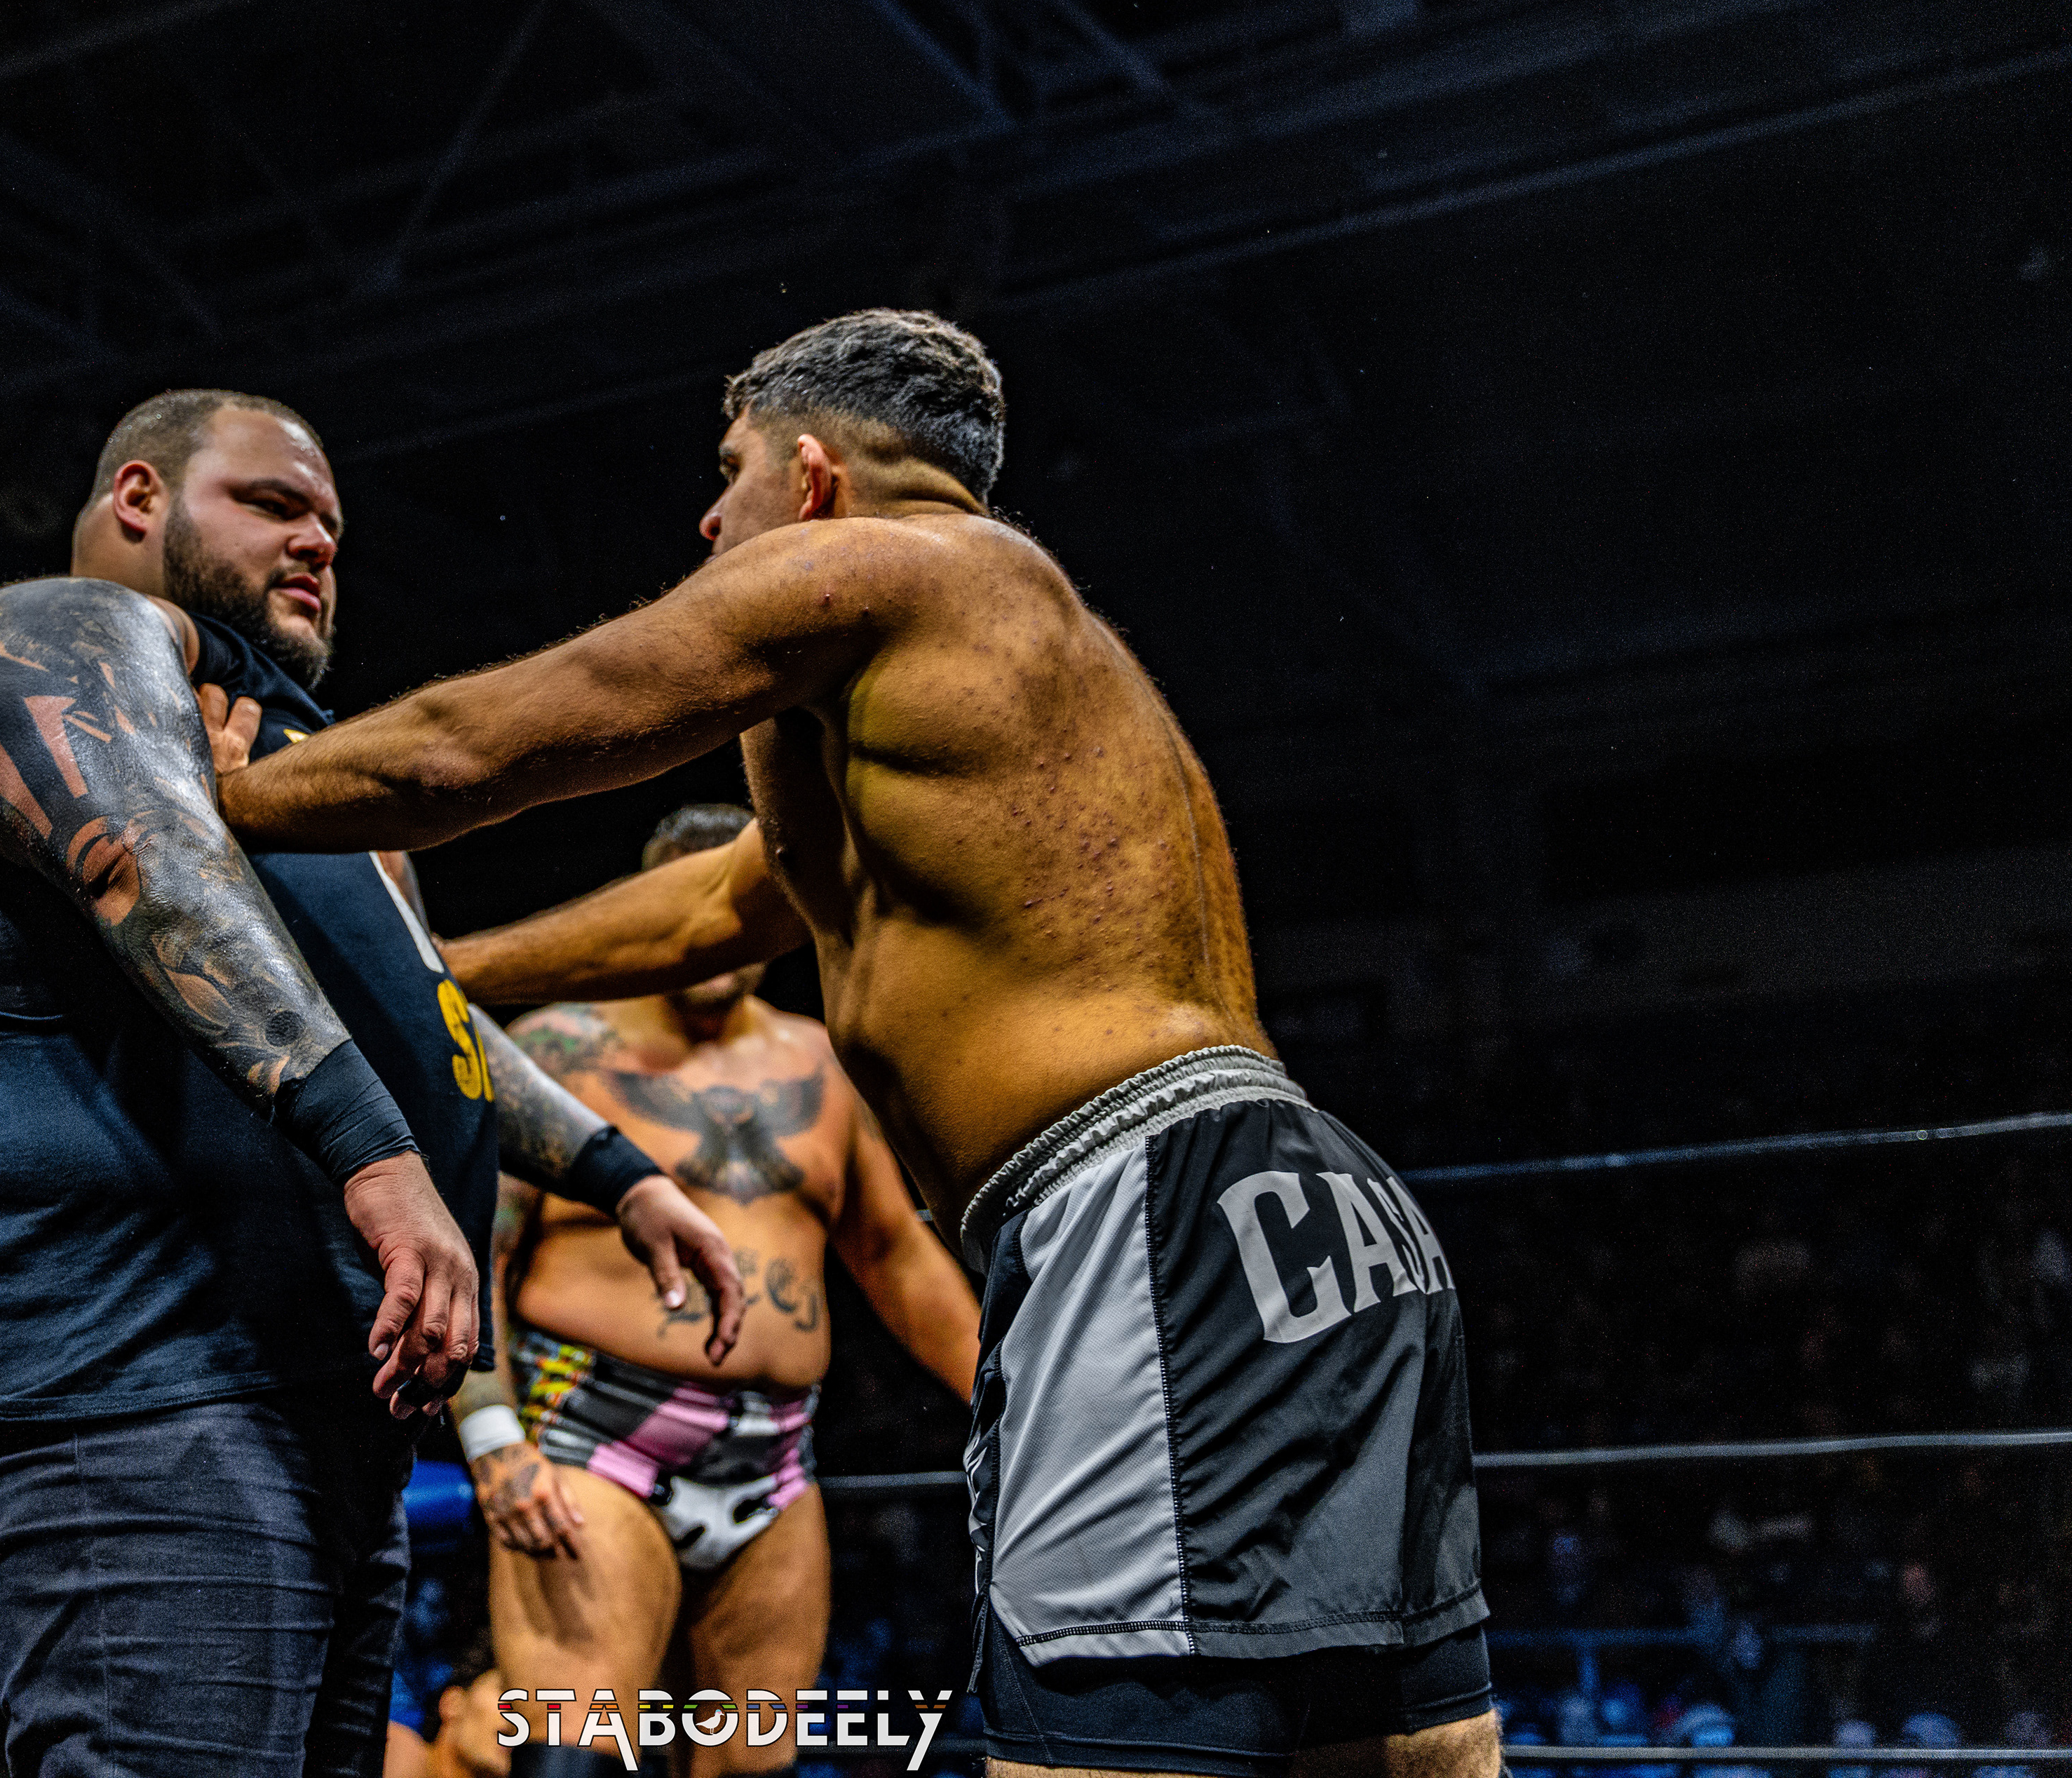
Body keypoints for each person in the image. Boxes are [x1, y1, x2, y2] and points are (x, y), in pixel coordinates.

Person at [211, 311, 1493, 1778]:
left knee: (1095, 1751)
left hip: (1140, 1204)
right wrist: (438, 973)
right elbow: (728, 905)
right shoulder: (999, 660)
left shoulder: (885, 566)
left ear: (812, 477)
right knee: (1396, 1751)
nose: (709, 521)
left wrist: (220, 798)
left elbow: (480, 741)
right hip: (1317, 1211)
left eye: (730, 472)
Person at [0, 388, 740, 1777]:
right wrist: (381, 1158)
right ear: (137, 499)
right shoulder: (42, 637)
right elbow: (146, 866)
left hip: (326, 1413)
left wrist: (618, 1173)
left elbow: (429, 1016)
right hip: (129, 1397)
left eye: (331, 522)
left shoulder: (296, 769)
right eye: (270, 505)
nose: (318, 541)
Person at [449, 802, 978, 1778]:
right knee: (575, 1759)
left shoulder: (821, 1061)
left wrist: (1018, 1411)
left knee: (753, 1770)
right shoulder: (557, 1051)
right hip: (593, 1435)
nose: (722, 935)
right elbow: (476, 1253)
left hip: (776, 1458)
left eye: (746, 913)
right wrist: (494, 1440)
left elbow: (895, 1256)